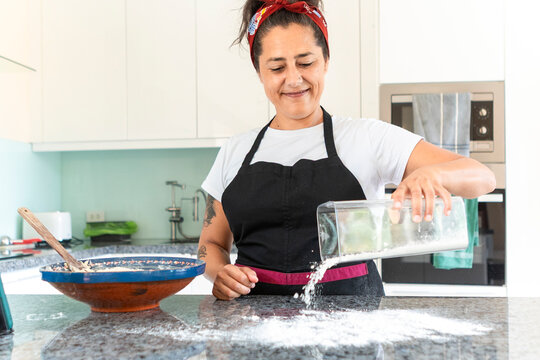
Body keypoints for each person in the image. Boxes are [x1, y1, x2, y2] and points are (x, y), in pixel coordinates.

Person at [197, 0, 496, 300]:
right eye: (277, 67)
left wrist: (432, 174)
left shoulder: (366, 137)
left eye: (306, 62)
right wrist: (220, 272)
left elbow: (482, 177)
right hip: (252, 330)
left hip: (352, 328)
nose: (293, 79)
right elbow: (210, 244)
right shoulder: (234, 151)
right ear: (259, 71)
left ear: (326, 60)